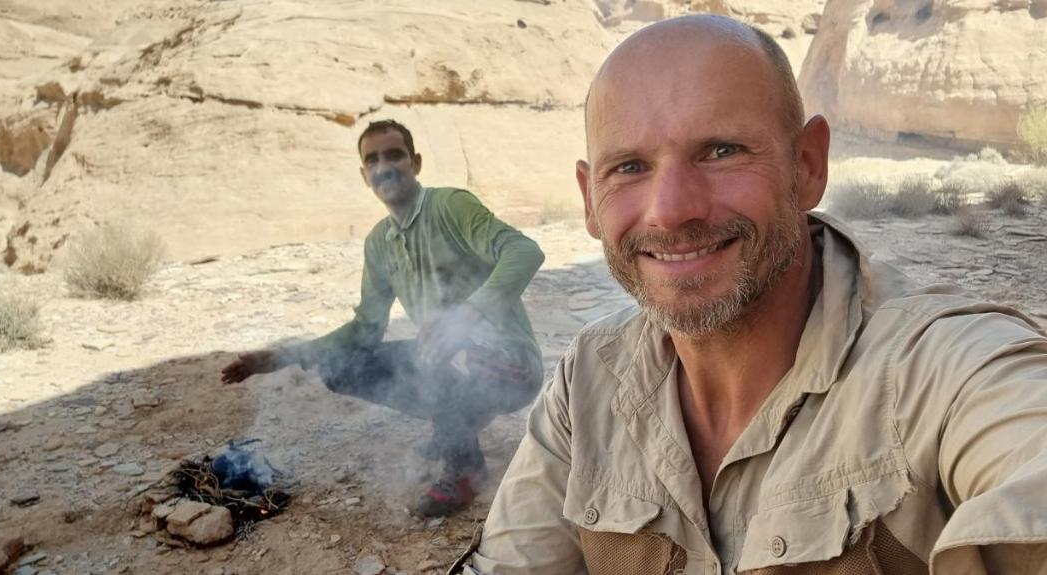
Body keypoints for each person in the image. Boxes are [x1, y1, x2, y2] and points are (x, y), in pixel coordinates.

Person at [458, 14, 1047, 575]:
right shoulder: (589, 378)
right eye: (630, 167)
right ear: (589, 199)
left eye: (721, 151)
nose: (672, 210)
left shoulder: (942, 370)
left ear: (808, 165)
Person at [222, 119, 546, 517]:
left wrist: (467, 315)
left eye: (394, 155)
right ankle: (458, 422)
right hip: (451, 361)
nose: (384, 167)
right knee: (343, 367)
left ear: (416, 163)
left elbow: (525, 251)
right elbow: (365, 329)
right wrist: (283, 355)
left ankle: (464, 468)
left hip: (509, 367)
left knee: (436, 346)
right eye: (372, 160)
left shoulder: (450, 206)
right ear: (364, 175)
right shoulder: (380, 243)